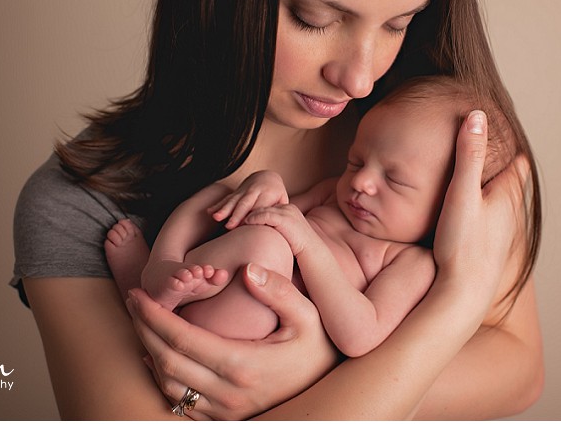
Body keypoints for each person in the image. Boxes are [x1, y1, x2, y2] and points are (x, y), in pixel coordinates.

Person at [12, 0, 544, 420]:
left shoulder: (441, 152)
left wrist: (320, 368)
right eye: (314, 18)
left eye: (399, 24)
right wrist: (443, 316)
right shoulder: (80, 205)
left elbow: (518, 368)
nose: (360, 79)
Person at [105, 76, 517, 358]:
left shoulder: (409, 261)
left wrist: (305, 243)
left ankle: (155, 306)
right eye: (357, 161)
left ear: (450, 203)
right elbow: (274, 210)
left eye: (394, 179)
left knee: (270, 244)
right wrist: (264, 185)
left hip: (250, 331)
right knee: (228, 191)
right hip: (216, 280)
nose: (361, 183)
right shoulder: (332, 194)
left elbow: (362, 335)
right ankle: (160, 269)